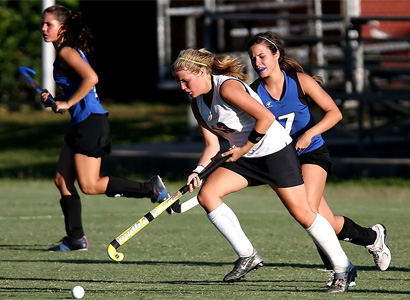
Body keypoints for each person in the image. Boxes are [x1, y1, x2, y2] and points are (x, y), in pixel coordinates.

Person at [172, 48, 356, 293]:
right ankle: (247, 255)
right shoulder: (198, 104)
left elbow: (266, 117)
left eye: (186, 80)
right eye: (180, 82)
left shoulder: (227, 88)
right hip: (245, 156)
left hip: (274, 152)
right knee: (208, 195)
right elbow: (212, 145)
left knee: (303, 214)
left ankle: (344, 268)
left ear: (203, 72)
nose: (183, 87)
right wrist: (198, 170)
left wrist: (243, 148)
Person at [246, 31, 391, 283]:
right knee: (327, 222)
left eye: (262, 56)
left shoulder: (300, 81)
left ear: (276, 55)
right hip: (283, 160)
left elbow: (334, 113)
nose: (258, 62)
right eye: (253, 58)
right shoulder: (254, 92)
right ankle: (372, 237)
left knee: (308, 212)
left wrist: (308, 134)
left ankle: (341, 272)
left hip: (312, 153)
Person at [40, 5, 170, 252]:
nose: (44, 29)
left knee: (89, 185)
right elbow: (78, 87)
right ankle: (75, 238)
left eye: (49, 25)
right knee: (62, 179)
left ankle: (150, 188)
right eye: (43, 24)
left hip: (90, 123)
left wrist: (66, 102)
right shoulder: (66, 51)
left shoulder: (67, 52)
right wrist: (55, 100)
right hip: (82, 123)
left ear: (63, 28)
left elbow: (91, 79)